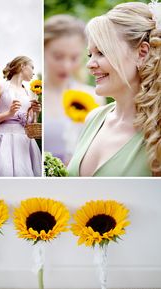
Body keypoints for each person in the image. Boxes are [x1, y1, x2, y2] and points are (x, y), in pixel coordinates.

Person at [68, 2, 161, 177]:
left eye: (101, 52)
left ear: (142, 53)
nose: (90, 64)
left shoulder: (157, 132)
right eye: (90, 54)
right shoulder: (93, 119)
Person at [44, 14, 104, 164]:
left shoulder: (93, 97)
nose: (66, 66)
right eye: (58, 57)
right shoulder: (32, 95)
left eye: (74, 58)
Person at [0, 56, 42, 177]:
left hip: (26, 142)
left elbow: (31, 124)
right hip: (3, 139)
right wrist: (9, 114)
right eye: (32, 67)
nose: (34, 72)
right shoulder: (0, 87)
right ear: (22, 66)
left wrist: (36, 113)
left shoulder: (31, 93)